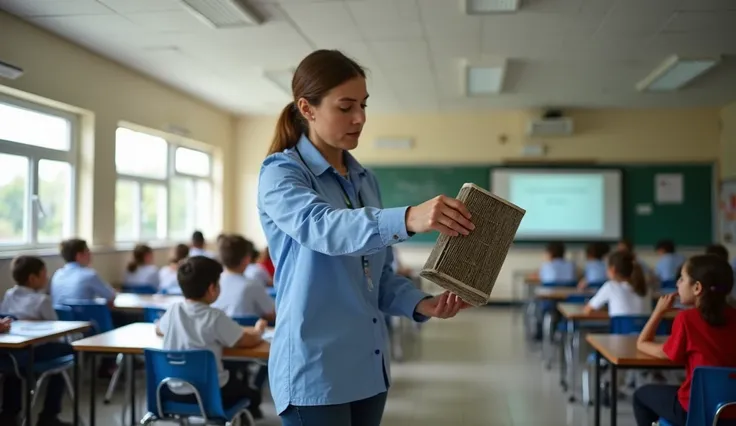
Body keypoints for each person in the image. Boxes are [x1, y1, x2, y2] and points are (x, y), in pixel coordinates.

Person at [257, 49, 473, 425]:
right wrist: (408, 218)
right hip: (316, 368)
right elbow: (322, 227)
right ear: (307, 108)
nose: (360, 118)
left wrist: (422, 304)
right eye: (345, 107)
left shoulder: (364, 180)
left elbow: (375, 276)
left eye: (363, 105)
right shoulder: (281, 174)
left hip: (368, 366)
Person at [156, 256, 267, 420]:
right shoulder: (215, 317)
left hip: (172, 391)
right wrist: (258, 331)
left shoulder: (173, 311)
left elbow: (159, 329)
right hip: (212, 394)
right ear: (212, 288)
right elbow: (247, 341)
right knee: (251, 394)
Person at [634, 255, 736, 426]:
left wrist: (658, 312)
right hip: (732, 410)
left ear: (697, 287)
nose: (677, 284)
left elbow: (644, 344)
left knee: (640, 396)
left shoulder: (686, 319)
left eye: (682, 278)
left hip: (696, 411)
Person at [0, 256, 73, 426]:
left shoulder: (9, 295)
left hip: (10, 355)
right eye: (44, 274)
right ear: (32, 278)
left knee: (14, 371)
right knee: (67, 354)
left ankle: (9, 414)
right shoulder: (42, 301)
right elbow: (56, 332)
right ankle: (49, 415)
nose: (47, 278)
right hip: (33, 354)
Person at [212, 235, 276, 322]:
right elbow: (272, 314)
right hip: (247, 332)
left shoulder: (213, 283)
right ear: (246, 259)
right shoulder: (252, 285)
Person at [50, 238, 116, 306]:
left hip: (61, 316)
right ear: (79, 255)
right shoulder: (89, 275)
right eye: (87, 251)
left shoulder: (57, 274)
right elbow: (111, 296)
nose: (90, 254)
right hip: (86, 316)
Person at [584, 250, 651, 316]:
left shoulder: (610, 286)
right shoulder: (646, 288)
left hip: (619, 326)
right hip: (645, 327)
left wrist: (610, 313)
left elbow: (588, 310)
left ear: (613, 270)